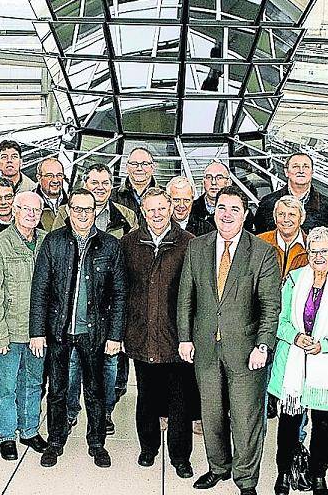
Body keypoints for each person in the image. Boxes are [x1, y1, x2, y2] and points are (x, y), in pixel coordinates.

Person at [177, 185, 282, 495]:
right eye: (222, 207)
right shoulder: (197, 247)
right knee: (210, 413)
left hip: (247, 350)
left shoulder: (261, 252)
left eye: (234, 209)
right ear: (213, 211)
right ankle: (218, 466)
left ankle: (246, 479)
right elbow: (186, 297)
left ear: (244, 214)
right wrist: (185, 338)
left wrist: (263, 344)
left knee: (246, 418)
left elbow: (270, 305)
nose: (227, 214)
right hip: (206, 347)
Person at [29, 189, 127, 469]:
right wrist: (37, 331)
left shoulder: (110, 245)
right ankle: (55, 441)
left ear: (96, 210)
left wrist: (115, 335)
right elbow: (40, 290)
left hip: (95, 333)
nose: (82, 214)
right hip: (59, 332)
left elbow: (120, 293)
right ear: (68, 210)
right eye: (77, 208)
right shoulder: (53, 241)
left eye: (88, 209)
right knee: (57, 390)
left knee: (95, 392)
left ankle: (97, 443)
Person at [268, 226, 328, 495]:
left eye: (325, 250)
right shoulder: (293, 279)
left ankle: (317, 474)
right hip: (293, 369)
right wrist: (295, 337)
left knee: (325, 429)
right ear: (308, 252)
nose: (319, 256)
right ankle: (283, 474)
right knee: (288, 427)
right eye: (314, 250)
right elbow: (278, 319)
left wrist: (325, 346)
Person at [52, 163, 136, 431]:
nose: (100, 187)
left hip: (108, 308)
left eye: (105, 182)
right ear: (85, 185)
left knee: (109, 368)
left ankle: (105, 413)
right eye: (94, 182)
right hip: (77, 308)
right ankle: (70, 410)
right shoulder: (66, 214)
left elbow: (128, 265)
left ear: (112, 186)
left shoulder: (126, 217)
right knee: (74, 365)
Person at [121, 188, 196, 478]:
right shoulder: (128, 243)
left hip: (177, 337)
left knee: (181, 399)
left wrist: (189, 334)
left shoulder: (189, 243)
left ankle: (180, 455)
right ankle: (148, 447)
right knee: (147, 396)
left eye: (162, 208)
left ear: (171, 209)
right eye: (151, 210)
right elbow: (121, 289)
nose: (157, 214)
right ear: (143, 211)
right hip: (141, 334)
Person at [0, 191, 49, 461]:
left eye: (36, 209)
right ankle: (7, 434)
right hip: (8, 331)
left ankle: (29, 430)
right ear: (15, 210)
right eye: (25, 209)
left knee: (32, 383)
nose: (31, 214)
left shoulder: (46, 242)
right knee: (5, 385)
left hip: (37, 333)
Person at [256, 153, 328, 234]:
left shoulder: (327, 206)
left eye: (306, 167)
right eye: (295, 167)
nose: (301, 171)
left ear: (312, 172)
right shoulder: (268, 203)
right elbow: (260, 237)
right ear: (286, 171)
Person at [258, 195, 309, 278]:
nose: (286, 219)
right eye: (281, 214)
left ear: (302, 218)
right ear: (275, 218)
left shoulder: (311, 245)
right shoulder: (259, 242)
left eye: (292, 215)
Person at [188, 161, 231, 236]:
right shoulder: (190, 210)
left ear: (228, 182)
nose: (213, 182)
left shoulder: (240, 212)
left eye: (219, 177)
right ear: (203, 182)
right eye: (209, 177)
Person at [113, 147, 157, 219]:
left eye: (145, 164)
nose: (139, 168)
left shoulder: (166, 195)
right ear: (127, 167)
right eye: (134, 164)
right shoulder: (112, 196)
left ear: (153, 167)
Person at [34, 157, 67, 230]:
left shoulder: (72, 203)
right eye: (49, 175)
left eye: (59, 175)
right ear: (39, 178)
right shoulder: (30, 204)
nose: (55, 180)